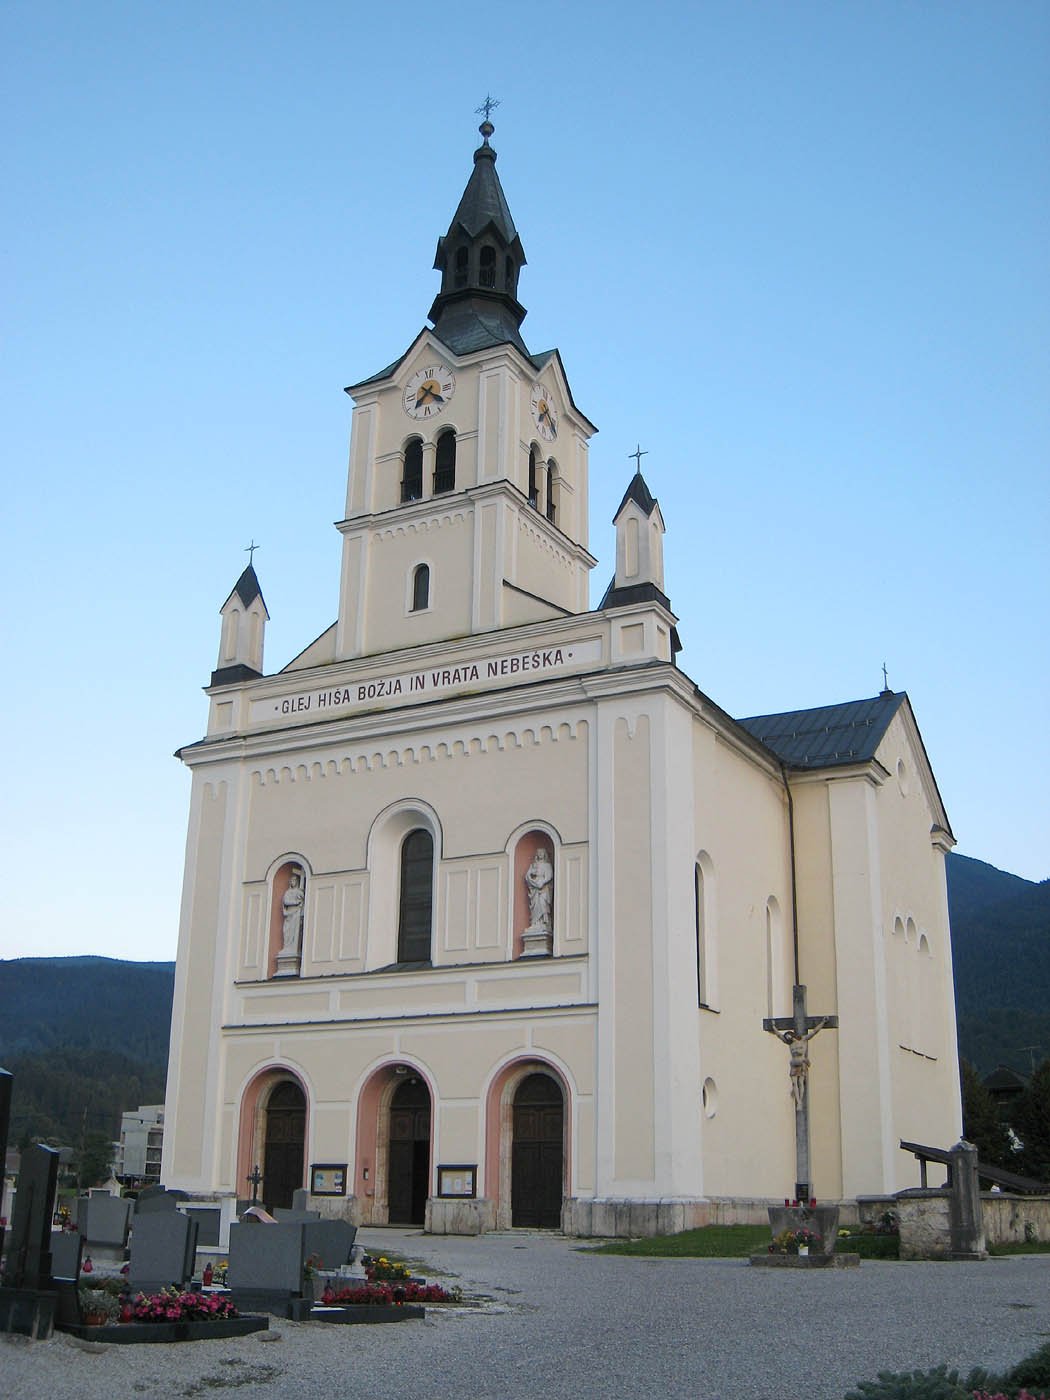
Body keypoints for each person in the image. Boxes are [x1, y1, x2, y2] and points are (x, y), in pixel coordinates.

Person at [524, 846, 554, 931]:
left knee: (543, 904)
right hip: (535, 888)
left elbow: (549, 876)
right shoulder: (533, 865)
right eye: (539, 853)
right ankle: (535, 923)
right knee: (535, 905)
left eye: (542, 853)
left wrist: (542, 882)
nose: (540, 854)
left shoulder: (547, 865)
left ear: (544, 854)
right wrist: (531, 875)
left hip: (543, 888)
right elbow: (527, 876)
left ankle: (544, 923)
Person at [281, 869, 305, 953]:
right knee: (287, 931)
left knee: (294, 931)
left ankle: (293, 948)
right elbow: (285, 901)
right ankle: (287, 946)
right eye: (291, 881)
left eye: (294, 881)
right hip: (289, 915)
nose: (292, 882)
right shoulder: (288, 892)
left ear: (297, 882)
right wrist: (295, 902)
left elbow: (302, 900)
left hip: (296, 914)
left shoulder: (298, 891)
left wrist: (300, 897)